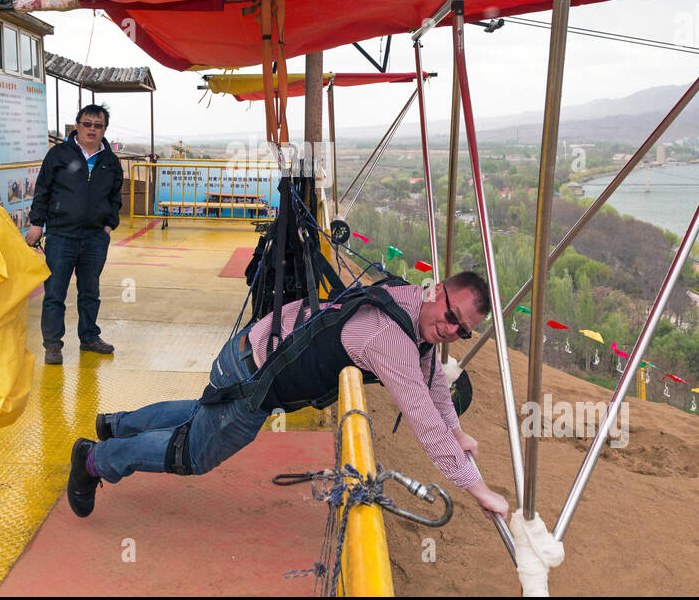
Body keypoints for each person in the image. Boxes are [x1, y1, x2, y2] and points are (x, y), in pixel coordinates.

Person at [66, 271, 510, 523]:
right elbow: (423, 422)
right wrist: (478, 490)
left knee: (201, 415)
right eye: (451, 316)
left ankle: (116, 424)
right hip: (255, 376)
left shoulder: (410, 302)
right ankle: (94, 458)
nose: (452, 330)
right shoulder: (388, 336)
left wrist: (459, 431)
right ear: (436, 290)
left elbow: (431, 376)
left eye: (463, 329)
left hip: (255, 352)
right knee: (192, 454)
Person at [26, 103, 124, 361]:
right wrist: (37, 223)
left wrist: (107, 225)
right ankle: (53, 344)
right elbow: (43, 190)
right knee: (55, 293)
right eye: (87, 124)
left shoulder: (110, 162)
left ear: (105, 129)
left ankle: (90, 337)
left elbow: (115, 196)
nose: (92, 129)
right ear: (77, 125)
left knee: (90, 292)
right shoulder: (59, 155)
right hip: (61, 235)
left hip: (94, 238)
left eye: (98, 125)